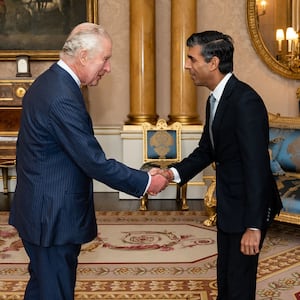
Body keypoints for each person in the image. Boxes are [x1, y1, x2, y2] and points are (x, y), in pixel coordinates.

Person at [8, 22, 168, 300]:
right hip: (52, 218)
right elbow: (93, 161)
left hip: (42, 211)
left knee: (42, 289)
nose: (107, 67)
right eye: (105, 59)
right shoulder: (61, 96)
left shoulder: (50, 82)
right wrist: (146, 181)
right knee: (54, 292)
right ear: (83, 56)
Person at [155, 31, 283, 300]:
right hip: (229, 204)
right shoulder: (215, 99)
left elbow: (257, 167)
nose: (187, 65)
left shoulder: (244, 101)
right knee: (226, 279)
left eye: (192, 59)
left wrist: (254, 226)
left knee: (239, 285)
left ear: (213, 63)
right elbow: (206, 152)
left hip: (246, 209)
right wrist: (171, 173)